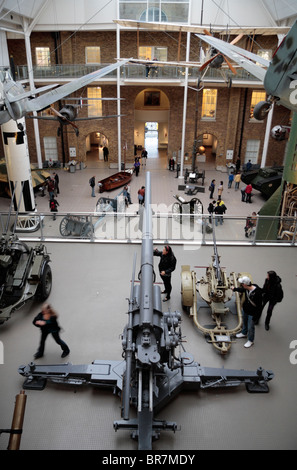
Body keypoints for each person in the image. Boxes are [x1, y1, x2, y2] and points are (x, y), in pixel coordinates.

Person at [232, 276, 263, 348]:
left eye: (242, 284)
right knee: (244, 323)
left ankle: (250, 340)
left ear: (245, 285)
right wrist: (234, 289)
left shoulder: (258, 293)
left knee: (250, 327)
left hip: (252, 314)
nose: (241, 285)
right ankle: (244, 333)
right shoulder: (247, 288)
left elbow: (259, 307)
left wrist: (256, 318)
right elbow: (243, 290)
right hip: (245, 310)